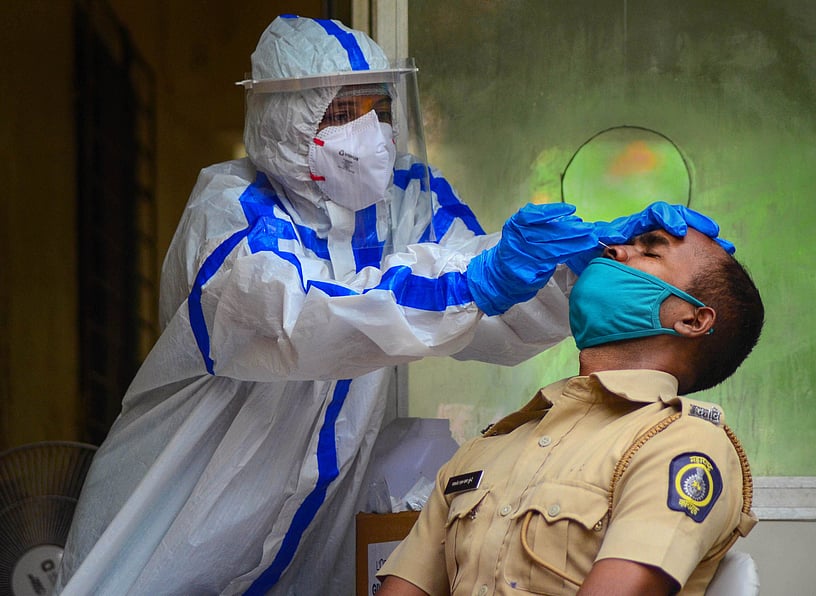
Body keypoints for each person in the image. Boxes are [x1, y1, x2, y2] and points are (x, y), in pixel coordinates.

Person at [57, 15, 735, 596]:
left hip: (307, 546)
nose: (371, 131)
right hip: (171, 530)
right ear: (282, 121)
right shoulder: (229, 212)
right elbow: (298, 323)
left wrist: (575, 264)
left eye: (378, 107)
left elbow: (484, 301)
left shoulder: (410, 197)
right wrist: (484, 279)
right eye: (341, 111)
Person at [378, 224, 765, 595]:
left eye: (649, 251)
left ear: (692, 319)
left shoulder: (678, 441)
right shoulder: (491, 445)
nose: (611, 251)